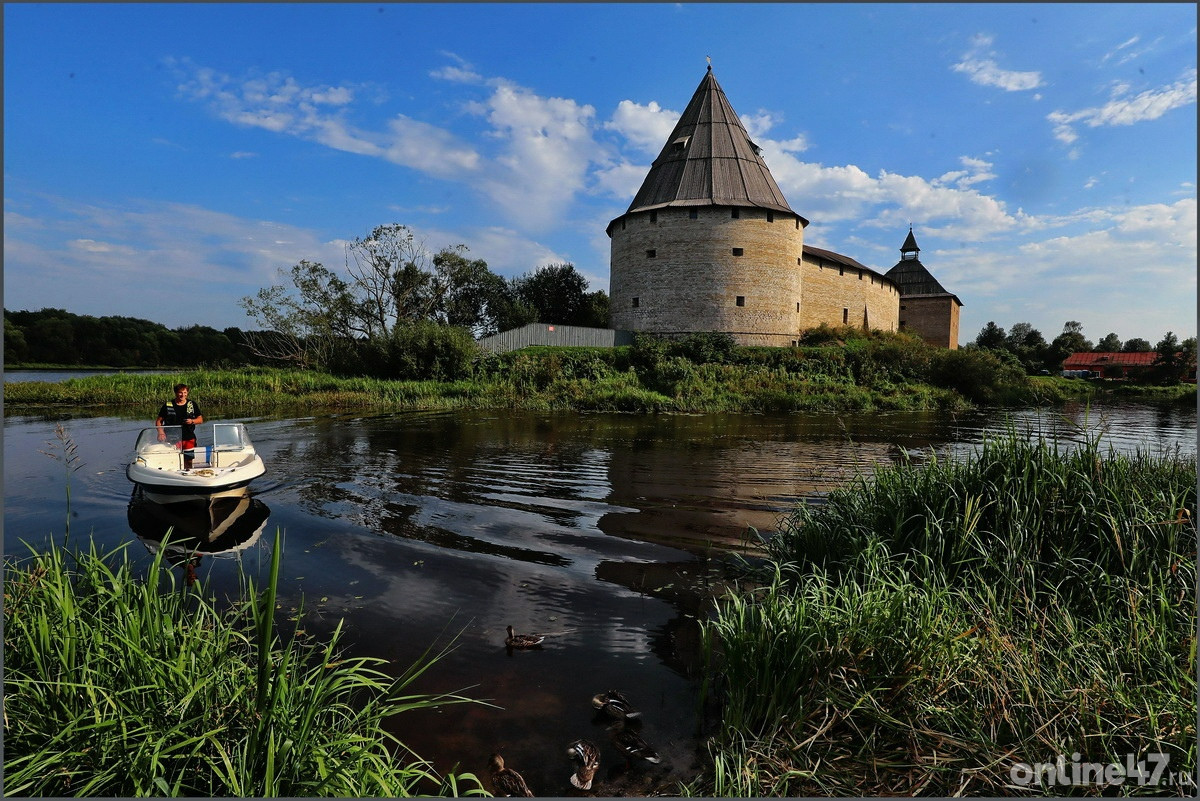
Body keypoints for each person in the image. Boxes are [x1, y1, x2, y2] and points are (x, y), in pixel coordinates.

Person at [156, 383, 204, 469]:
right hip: (171, 437)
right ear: (176, 393)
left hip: (188, 437)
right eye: (180, 392)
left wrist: (192, 421)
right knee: (172, 459)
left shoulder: (192, 404)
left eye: (185, 392)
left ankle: (188, 474)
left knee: (188, 460)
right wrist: (160, 432)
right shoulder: (167, 405)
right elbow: (159, 421)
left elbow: (200, 420)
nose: (183, 395)